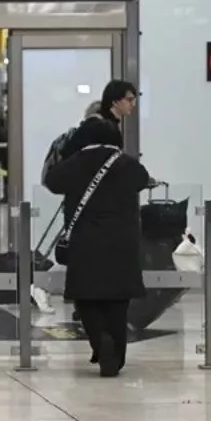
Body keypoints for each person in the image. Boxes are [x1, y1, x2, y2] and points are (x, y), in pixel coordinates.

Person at [45, 117, 149, 377]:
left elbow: (52, 182)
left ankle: (101, 342)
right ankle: (116, 355)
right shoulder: (127, 164)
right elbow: (142, 179)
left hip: (85, 242)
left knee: (86, 299)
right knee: (118, 302)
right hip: (122, 243)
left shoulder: (75, 163)